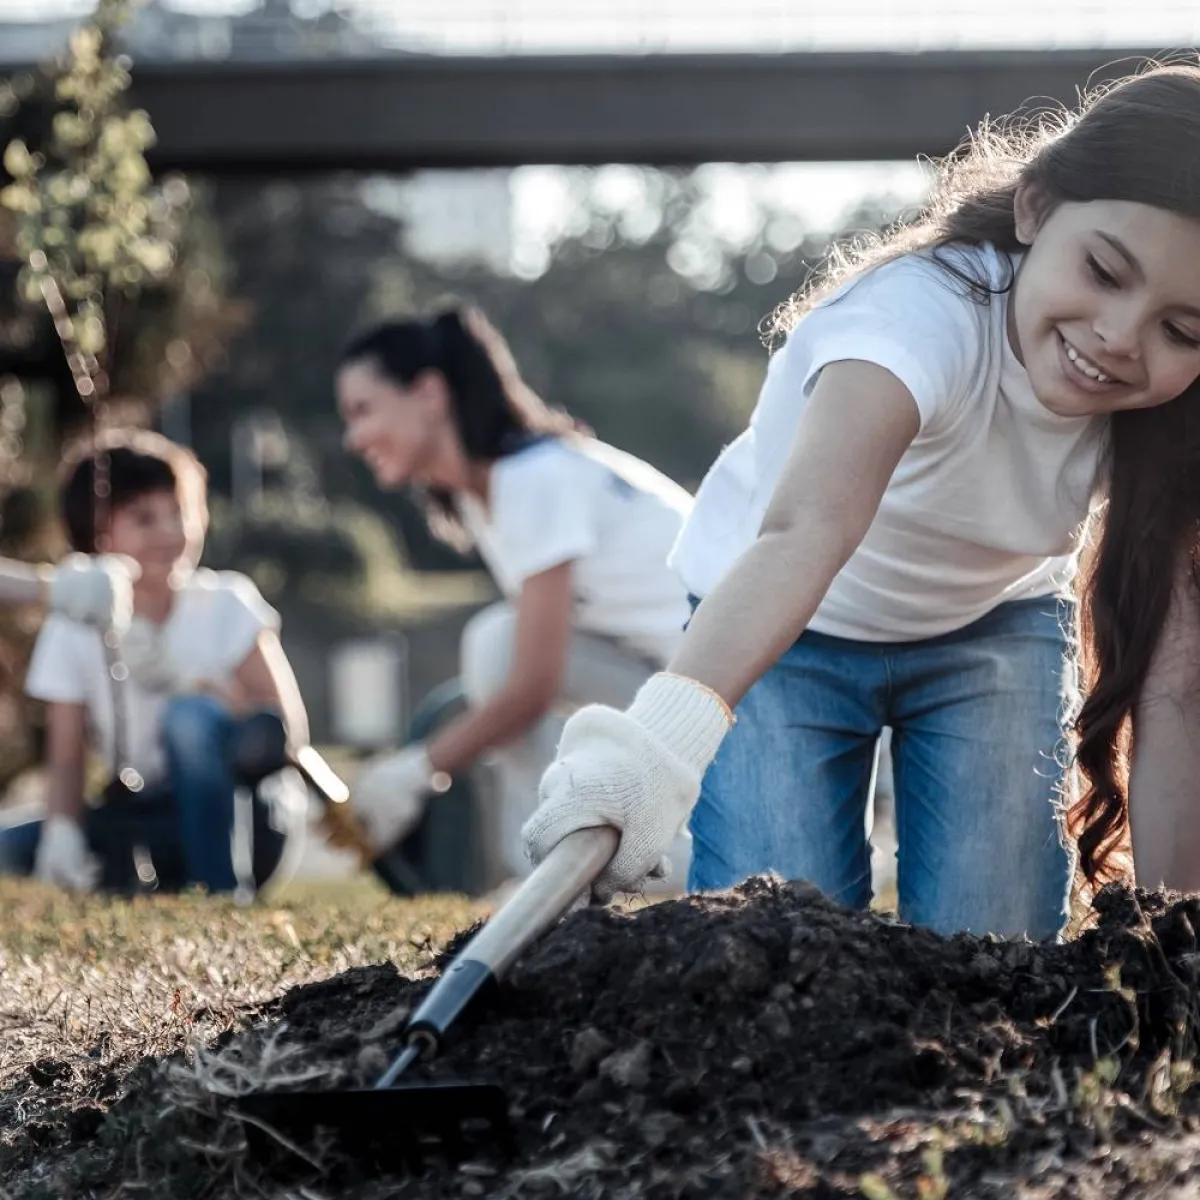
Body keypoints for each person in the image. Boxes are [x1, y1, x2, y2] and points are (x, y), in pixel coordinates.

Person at [519, 64, 1200, 940]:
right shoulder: (910, 324)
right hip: (787, 630)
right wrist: (650, 754)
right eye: (1105, 271)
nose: (1118, 337)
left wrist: (1177, 934)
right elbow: (808, 531)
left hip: (991, 629)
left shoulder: (1177, 418)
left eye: (1181, 328)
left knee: (991, 955)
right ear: (1035, 209)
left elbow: (1178, 682)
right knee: (775, 937)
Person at [335, 307, 694, 885]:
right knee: (499, 642)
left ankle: (554, 873)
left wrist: (416, 770)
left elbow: (530, 688)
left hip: (738, 703)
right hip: (682, 689)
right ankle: (561, 862)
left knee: (497, 646)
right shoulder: (492, 495)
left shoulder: (532, 477)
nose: (354, 438)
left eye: (363, 410)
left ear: (428, 393)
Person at [0, 430, 308, 895]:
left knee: (188, 719)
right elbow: (67, 757)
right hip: (148, 814)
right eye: (144, 519)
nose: (171, 533)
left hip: (248, 815)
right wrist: (62, 832)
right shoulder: (74, 624)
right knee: (11, 847)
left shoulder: (228, 602)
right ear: (98, 538)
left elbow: (285, 730)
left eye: (180, 513)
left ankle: (223, 892)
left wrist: (201, 688)